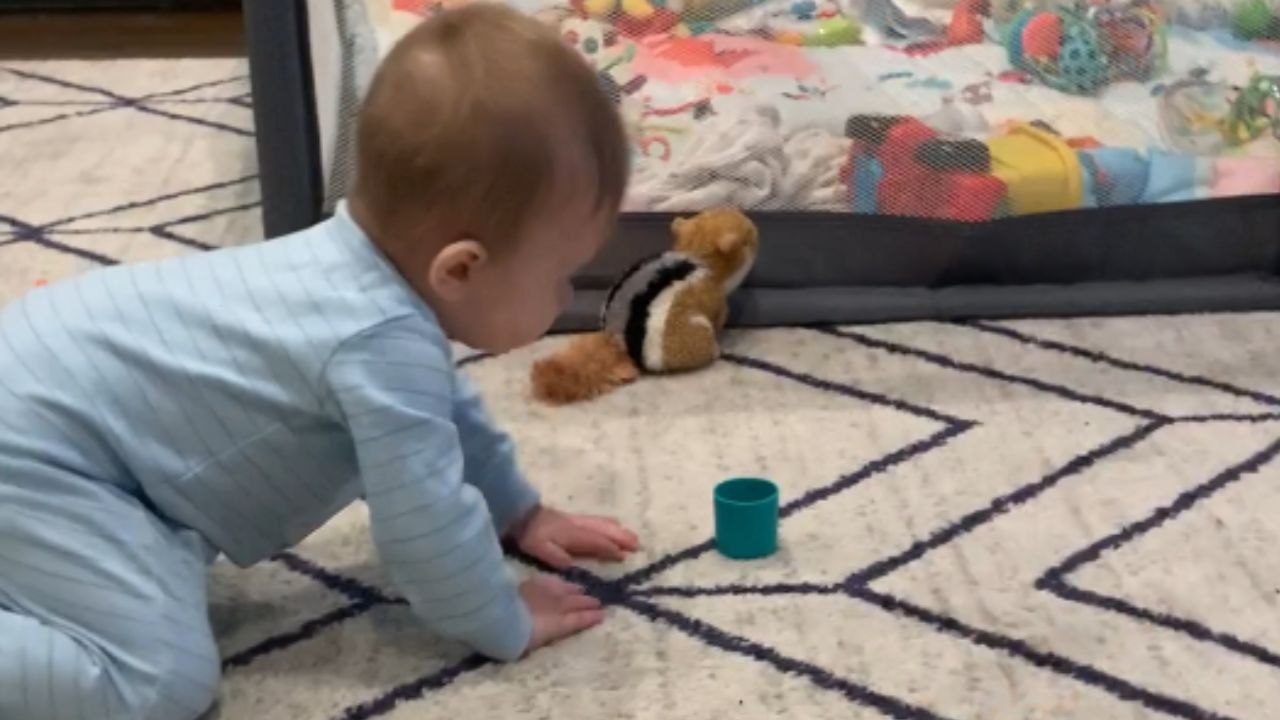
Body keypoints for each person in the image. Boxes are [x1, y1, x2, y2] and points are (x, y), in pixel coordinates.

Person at [0, 4, 637, 718]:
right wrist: (502, 620)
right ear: (459, 268)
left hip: (52, 400)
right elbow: (422, 529)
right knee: (157, 681)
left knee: (156, 576)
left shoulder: (364, 281)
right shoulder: (374, 343)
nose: (566, 294)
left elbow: (450, 423)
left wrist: (519, 514)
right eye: (559, 274)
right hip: (39, 452)